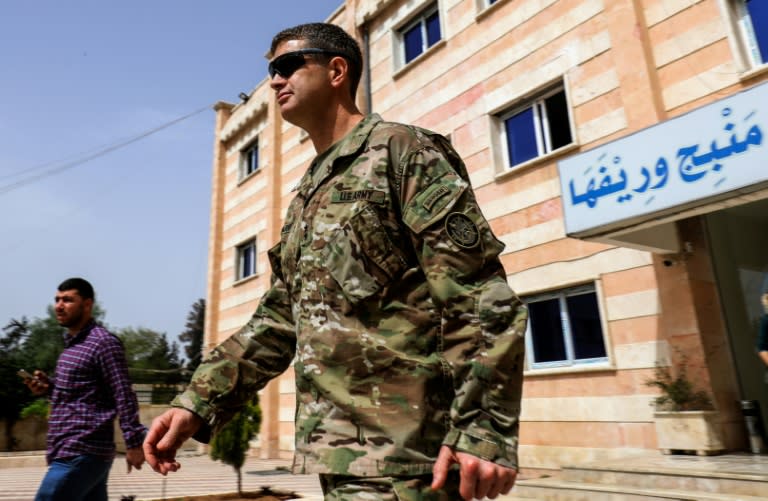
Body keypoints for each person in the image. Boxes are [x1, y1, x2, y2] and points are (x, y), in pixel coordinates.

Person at [143, 22, 527, 501]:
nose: (275, 81)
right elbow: (281, 320)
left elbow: (479, 296)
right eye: (270, 71)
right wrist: (198, 402)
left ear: (337, 71)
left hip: (410, 459)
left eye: (286, 67)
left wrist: (482, 430)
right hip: (343, 459)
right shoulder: (309, 194)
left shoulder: (403, 152)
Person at [23, 277, 146, 501]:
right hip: (69, 450)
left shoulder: (103, 343)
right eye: (57, 299)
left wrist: (134, 443)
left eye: (68, 300)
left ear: (87, 304)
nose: (59, 306)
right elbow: (76, 396)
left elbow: (123, 394)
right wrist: (48, 387)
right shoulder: (72, 347)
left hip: (82, 450)